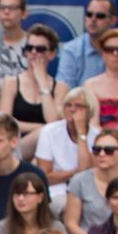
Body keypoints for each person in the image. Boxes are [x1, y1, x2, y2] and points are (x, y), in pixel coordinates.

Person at [35, 86, 98, 215]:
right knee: (70, 208)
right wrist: (76, 172)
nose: (72, 109)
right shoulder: (49, 132)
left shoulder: (98, 135)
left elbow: (86, 171)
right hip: (56, 191)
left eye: (79, 106)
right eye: (68, 105)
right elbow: (45, 177)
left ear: (89, 111)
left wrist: (81, 132)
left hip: (89, 191)